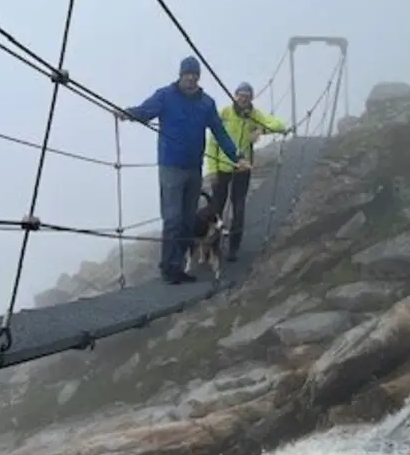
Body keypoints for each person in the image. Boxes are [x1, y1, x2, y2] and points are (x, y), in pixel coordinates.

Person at [121, 56, 249, 284]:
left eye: (194, 74)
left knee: (188, 220)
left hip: (193, 167)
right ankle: (169, 268)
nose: (191, 78)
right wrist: (127, 113)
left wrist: (237, 156)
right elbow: (145, 111)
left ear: (198, 77)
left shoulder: (206, 103)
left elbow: (219, 132)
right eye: (187, 74)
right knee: (172, 219)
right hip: (171, 166)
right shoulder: (165, 96)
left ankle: (179, 267)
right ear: (180, 75)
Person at [205, 82, 288, 262]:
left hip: (243, 168)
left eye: (247, 96)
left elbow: (280, 125)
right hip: (221, 167)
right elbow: (212, 143)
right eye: (240, 95)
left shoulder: (253, 115)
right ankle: (213, 247)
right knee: (216, 209)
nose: (243, 99)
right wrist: (212, 170)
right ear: (235, 96)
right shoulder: (224, 114)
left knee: (239, 207)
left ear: (251, 98)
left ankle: (233, 248)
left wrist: (261, 129)